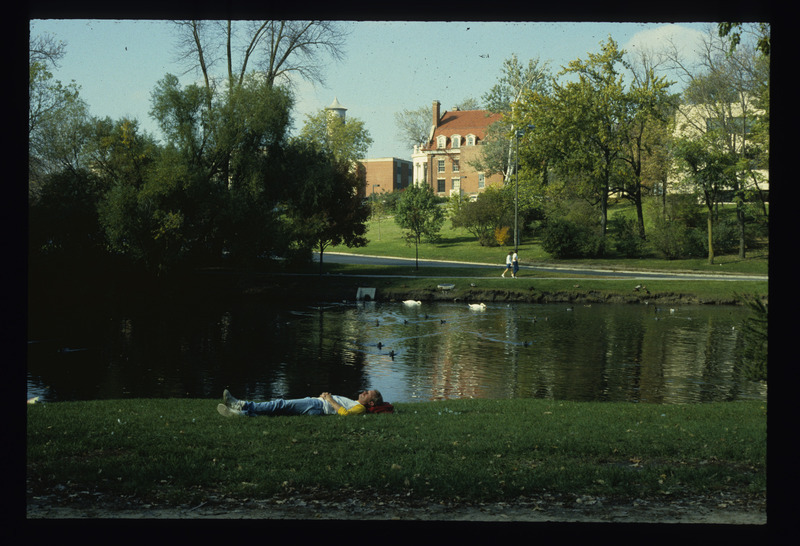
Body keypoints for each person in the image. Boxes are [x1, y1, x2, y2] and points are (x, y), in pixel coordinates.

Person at [216, 388, 387, 417]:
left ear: (371, 403)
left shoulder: (360, 408)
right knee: (280, 411)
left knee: (280, 405)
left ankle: (242, 405)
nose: (364, 392)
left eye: (367, 394)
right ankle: (243, 415)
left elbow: (345, 414)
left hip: (318, 406)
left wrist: (328, 399)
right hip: (317, 403)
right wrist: (327, 396)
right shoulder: (354, 401)